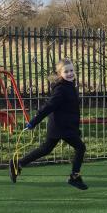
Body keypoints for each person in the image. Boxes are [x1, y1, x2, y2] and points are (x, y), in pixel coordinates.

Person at [9, 59, 88, 190]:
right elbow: (48, 107)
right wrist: (33, 122)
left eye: (71, 70)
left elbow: (71, 110)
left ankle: (18, 163)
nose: (70, 73)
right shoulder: (61, 89)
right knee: (80, 147)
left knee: (46, 149)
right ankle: (74, 177)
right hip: (60, 127)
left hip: (66, 125)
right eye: (66, 71)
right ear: (60, 74)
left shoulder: (71, 86)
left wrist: (75, 128)